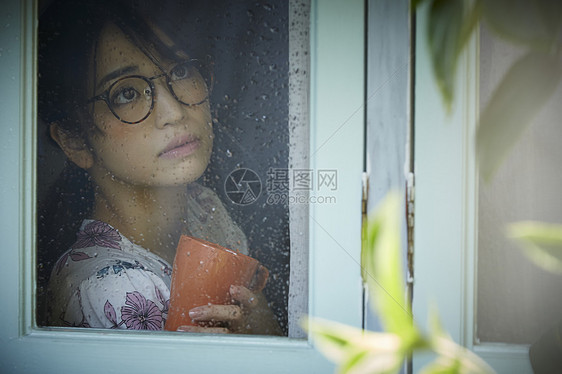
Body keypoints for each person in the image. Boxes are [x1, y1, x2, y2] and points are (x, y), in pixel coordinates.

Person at [38, 0, 281, 335]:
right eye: (125, 93)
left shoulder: (203, 209)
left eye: (180, 71)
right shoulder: (111, 289)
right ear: (75, 140)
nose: (173, 111)